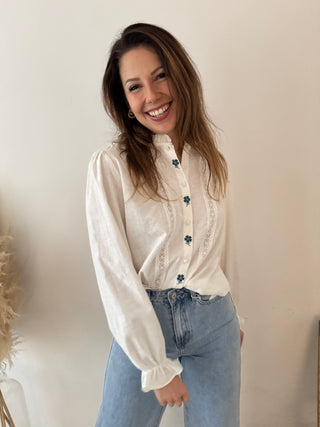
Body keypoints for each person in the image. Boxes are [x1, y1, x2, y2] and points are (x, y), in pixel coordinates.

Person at [86, 22, 244, 427]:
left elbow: (225, 249)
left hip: (215, 325)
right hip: (145, 321)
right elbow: (113, 271)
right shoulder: (111, 165)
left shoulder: (211, 158)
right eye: (134, 86)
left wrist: (236, 316)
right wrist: (154, 365)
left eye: (160, 76)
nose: (152, 96)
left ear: (181, 77)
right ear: (123, 100)